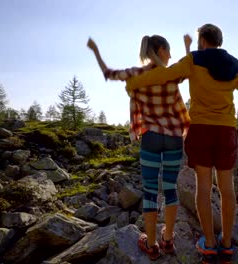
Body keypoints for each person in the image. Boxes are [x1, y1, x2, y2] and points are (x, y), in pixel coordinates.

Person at [125, 24, 238, 264]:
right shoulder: (237, 65)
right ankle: (226, 244)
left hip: (201, 130)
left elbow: (164, 74)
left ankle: (209, 243)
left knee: (203, 188)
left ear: (203, 40)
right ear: (219, 40)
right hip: (226, 130)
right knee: (227, 189)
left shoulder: (194, 60)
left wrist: (136, 82)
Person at [87, 35, 190, 261]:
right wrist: (188, 46)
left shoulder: (137, 74)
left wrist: (95, 50)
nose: (171, 56)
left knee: (151, 191)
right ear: (161, 50)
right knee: (171, 189)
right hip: (174, 136)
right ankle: (168, 239)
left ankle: (151, 245)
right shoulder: (171, 73)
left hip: (151, 137)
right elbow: (189, 65)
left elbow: (109, 73)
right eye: (169, 50)